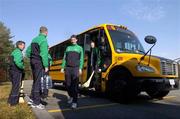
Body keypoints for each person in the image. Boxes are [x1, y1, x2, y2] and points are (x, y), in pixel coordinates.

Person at [26, 26, 49, 109]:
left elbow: (28, 51)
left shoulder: (34, 39)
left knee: (35, 80)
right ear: (46, 32)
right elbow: (44, 54)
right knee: (38, 82)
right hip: (39, 62)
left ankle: (32, 99)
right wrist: (46, 65)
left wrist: (32, 58)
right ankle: (36, 102)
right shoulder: (43, 40)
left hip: (33, 62)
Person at [61, 35, 84, 109]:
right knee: (67, 85)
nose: (73, 40)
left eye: (74, 39)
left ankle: (75, 102)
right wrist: (62, 67)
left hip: (75, 68)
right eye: (71, 39)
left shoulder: (80, 48)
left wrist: (80, 68)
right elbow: (64, 58)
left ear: (76, 40)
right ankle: (71, 96)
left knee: (75, 86)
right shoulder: (68, 48)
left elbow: (81, 59)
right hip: (67, 68)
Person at [8, 41, 25, 106]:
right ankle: (13, 103)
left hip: (12, 70)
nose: (24, 46)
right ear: (19, 45)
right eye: (23, 45)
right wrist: (22, 67)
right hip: (16, 71)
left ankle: (10, 101)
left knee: (14, 86)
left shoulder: (14, 51)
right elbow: (18, 62)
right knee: (16, 87)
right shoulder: (18, 52)